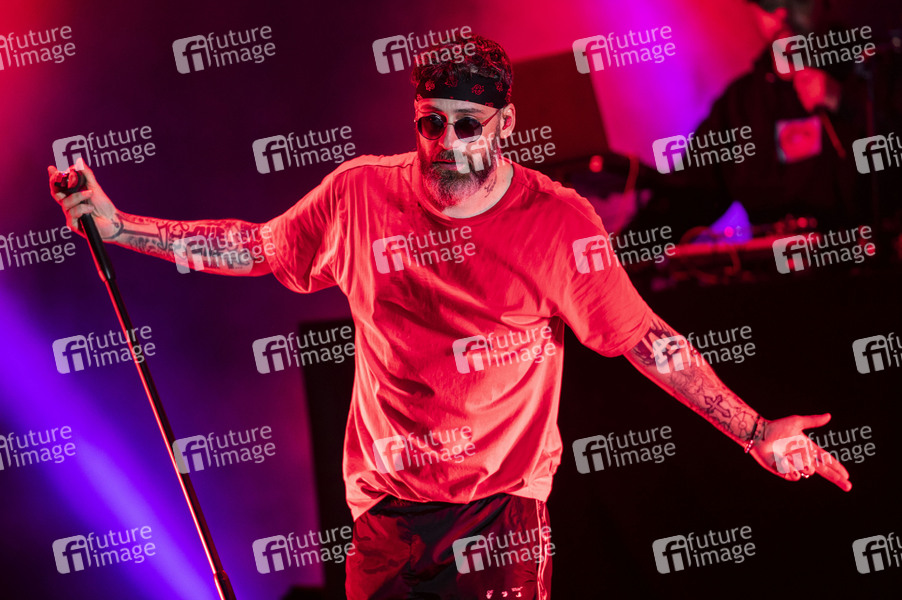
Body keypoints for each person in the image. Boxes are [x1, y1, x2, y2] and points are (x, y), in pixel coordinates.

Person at [49, 35, 851, 600]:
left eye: (468, 125)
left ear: (506, 125)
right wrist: (120, 229)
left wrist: (754, 430)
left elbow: (647, 340)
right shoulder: (360, 194)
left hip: (501, 509)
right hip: (386, 515)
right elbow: (253, 246)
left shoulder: (557, 222)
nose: (445, 144)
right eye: (430, 123)